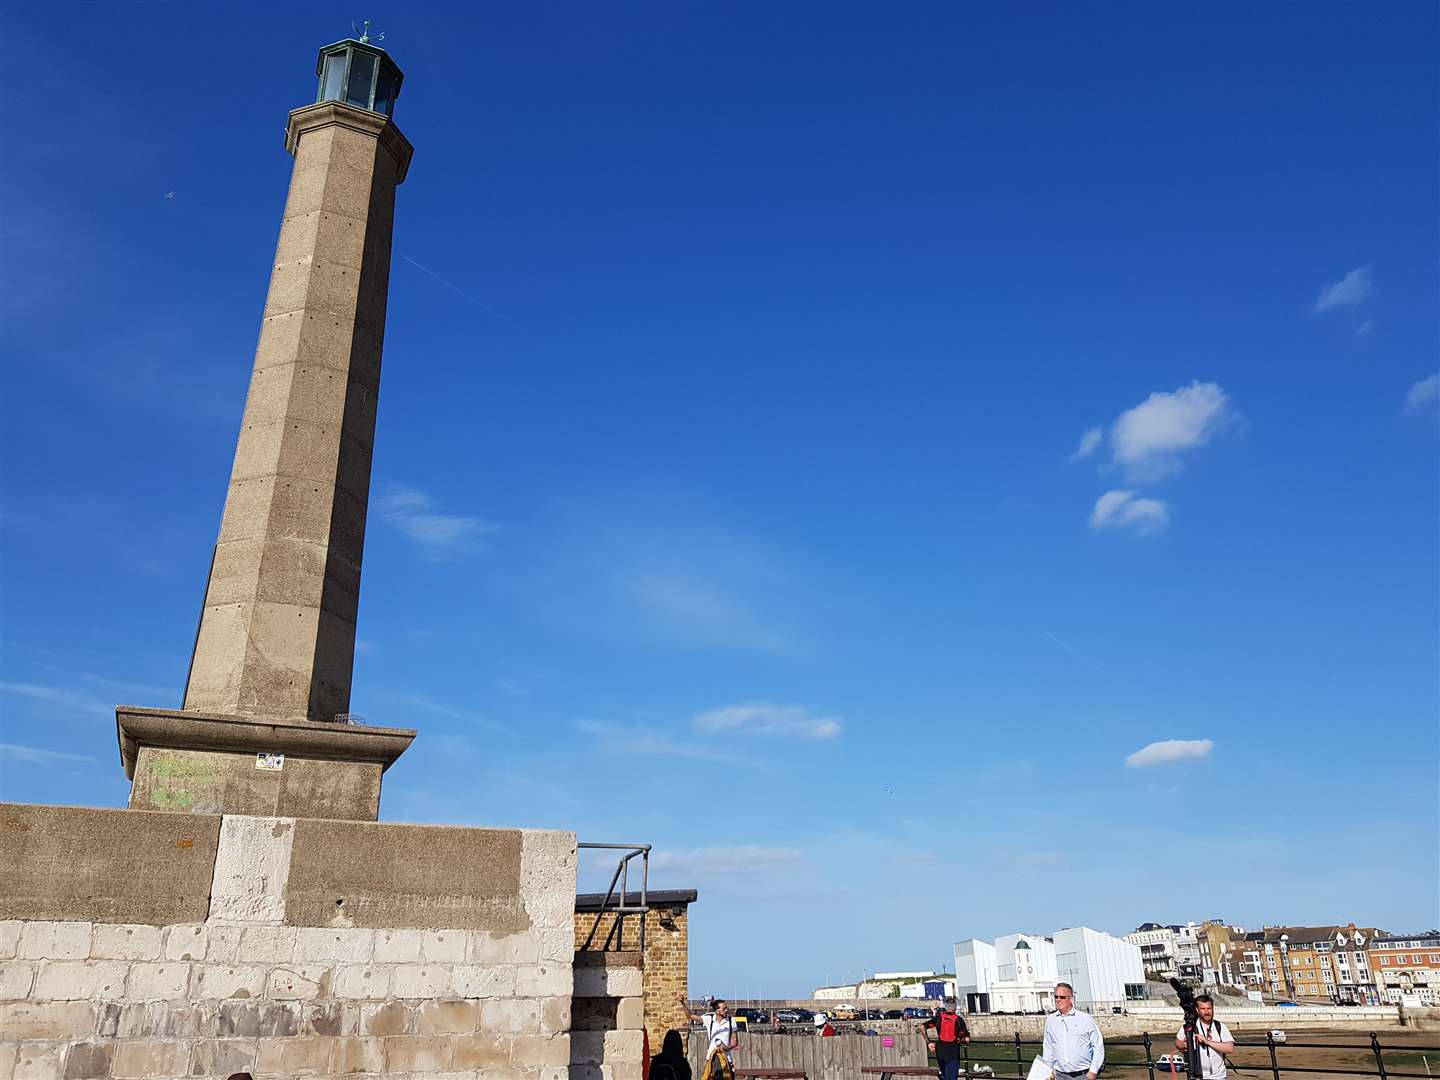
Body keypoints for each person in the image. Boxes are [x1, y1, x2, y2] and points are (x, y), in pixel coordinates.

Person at [1042, 983, 1104, 1080]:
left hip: (1083, 1074)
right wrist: (1047, 1070)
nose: (1058, 1000)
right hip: (1059, 1075)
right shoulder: (1051, 1020)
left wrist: (1093, 1072)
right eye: (1056, 997)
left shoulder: (1085, 1019)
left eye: (1062, 997)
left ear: (1070, 999)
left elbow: (1098, 1046)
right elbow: (1048, 1048)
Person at [677, 992, 739, 1080]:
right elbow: (690, 1016)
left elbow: (735, 1042)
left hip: (726, 1059)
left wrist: (727, 1047)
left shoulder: (731, 1020)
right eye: (724, 1008)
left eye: (726, 1008)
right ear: (717, 1011)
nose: (726, 1010)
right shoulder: (709, 1018)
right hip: (712, 1059)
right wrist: (683, 1003)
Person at [1174, 994, 1234, 1080]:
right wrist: (1185, 1045)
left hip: (1219, 1077)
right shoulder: (1190, 1026)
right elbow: (1178, 1043)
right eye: (1203, 1009)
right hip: (1197, 1077)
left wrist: (1207, 1042)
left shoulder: (1219, 1026)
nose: (1207, 1012)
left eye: (1209, 1008)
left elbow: (1230, 1048)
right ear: (1197, 1010)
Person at [921, 997, 971, 1080]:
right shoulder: (959, 1020)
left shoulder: (939, 1018)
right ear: (955, 1007)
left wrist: (928, 1042)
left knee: (946, 1077)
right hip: (953, 1053)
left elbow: (922, 1027)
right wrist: (963, 1039)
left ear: (946, 1006)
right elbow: (967, 1039)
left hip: (940, 1052)